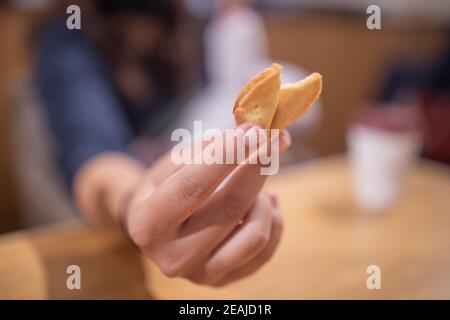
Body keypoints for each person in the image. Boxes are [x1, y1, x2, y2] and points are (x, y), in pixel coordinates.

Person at [35, 0, 291, 286]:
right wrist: (135, 201)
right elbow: (94, 158)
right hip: (98, 247)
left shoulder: (188, 27)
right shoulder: (69, 37)